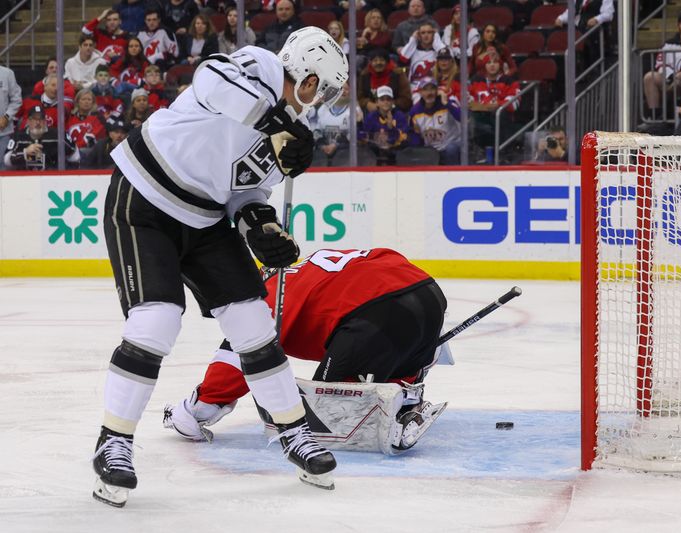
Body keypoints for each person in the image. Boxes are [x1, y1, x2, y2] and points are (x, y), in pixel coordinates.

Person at [91, 26, 348, 507]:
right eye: (325, 89)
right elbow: (210, 78)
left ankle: (292, 430)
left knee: (253, 323)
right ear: (311, 79)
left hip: (205, 216)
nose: (320, 100)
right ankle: (114, 441)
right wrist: (275, 124)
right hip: (144, 197)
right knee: (156, 320)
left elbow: (245, 192)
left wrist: (262, 231)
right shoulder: (262, 68)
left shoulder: (289, 134)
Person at [164, 247, 449, 453]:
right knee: (393, 347)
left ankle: (391, 413)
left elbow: (240, 358)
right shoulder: (307, 272)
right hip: (427, 293)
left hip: (376, 316)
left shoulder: (270, 294)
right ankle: (407, 394)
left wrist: (194, 411)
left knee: (329, 412)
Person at [468, 53, 519, 160]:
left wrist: (494, 106)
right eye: (488, 62)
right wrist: (487, 107)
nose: (492, 65)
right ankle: (475, 150)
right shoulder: (476, 80)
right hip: (480, 117)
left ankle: (505, 151)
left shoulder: (509, 81)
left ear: (500, 64)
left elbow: (514, 103)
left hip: (502, 117)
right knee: (469, 115)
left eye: (495, 62)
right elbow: (469, 101)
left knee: (500, 113)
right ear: (484, 65)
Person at [3, 105, 80, 170]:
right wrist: (25, 152)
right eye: (34, 119)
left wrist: (70, 175)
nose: (38, 122)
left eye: (41, 119)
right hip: (25, 180)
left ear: (45, 121)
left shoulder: (58, 135)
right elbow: (6, 161)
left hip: (52, 180)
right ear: (29, 121)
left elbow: (74, 154)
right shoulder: (18, 136)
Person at [408, 77, 460, 165]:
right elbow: (414, 138)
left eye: (432, 89)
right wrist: (416, 135)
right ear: (420, 92)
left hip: (450, 147)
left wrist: (447, 104)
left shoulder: (447, 104)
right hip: (430, 152)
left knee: (451, 149)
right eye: (425, 90)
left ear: (437, 91)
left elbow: (463, 118)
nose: (429, 93)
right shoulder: (415, 112)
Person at [311, 81, 362, 166]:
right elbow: (316, 131)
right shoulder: (323, 109)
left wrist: (336, 145)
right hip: (323, 154)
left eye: (346, 89)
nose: (344, 91)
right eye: (341, 89)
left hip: (344, 156)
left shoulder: (354, 109)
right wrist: (322, 145)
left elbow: (353, 135)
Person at [361, 85, 409, 166]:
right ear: (377, 102)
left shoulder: (400, 116)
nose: (385, 102)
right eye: (382, 99)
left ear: (393, 102)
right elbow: (364, 138)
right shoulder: (370, 117)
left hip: (395, 156)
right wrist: (358, 123)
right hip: (374, 155)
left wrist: (390, 128)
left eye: (388, 99)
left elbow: (403, 140)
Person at [358, 48, 413, 113]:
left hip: (394, 111)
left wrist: (389, 105)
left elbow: (406, 99)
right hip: (371, 111)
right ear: (370, 62)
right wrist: (367, 103)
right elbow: (359, 97)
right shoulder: (365, 75)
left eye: (382, 60)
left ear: (387, 62)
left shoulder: (398, 74)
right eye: (375, 61)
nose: (378, 63)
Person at [400, 22, 446, 97]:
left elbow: (446, 55)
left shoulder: (438, 50)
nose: (426, 35)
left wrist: (437, 39)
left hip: (434, 89)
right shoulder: (413, 50)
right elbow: (403, 58)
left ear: (434, 34)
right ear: (419, 35)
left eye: (429, 32)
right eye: (423, 33)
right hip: (415, 89)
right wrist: (413, 39)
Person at [66, 89, 108, 159]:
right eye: (83, 99)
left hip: (90, 152)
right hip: (71, 152)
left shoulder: (98, 118)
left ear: (93, 102)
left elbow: (91, 137)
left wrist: (75, 149)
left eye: (89, 99)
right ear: (77, 102)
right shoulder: (69, 118)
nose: (86, 102)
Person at [0, 64, 22, 171]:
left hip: (4, 133)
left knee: (4, 167)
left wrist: (7, 116)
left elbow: (17, 99)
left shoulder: (7, 73)